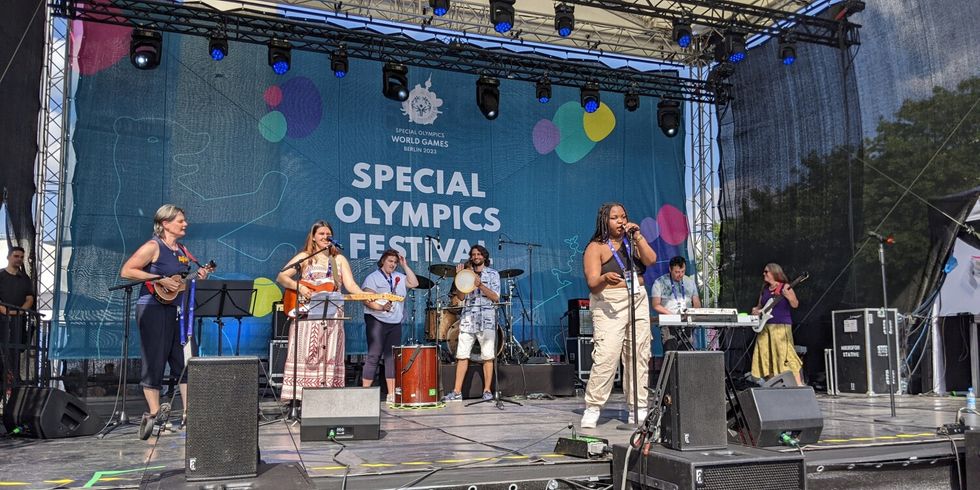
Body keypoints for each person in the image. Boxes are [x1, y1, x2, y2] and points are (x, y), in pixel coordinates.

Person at [120, 205, 210, 436]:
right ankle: (156, 416)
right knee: (155, 360)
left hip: (178, 311)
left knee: (184, 362)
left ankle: (190, 414)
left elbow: (180, 281)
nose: (185, 224)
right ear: (165, 223)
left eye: (184, 220)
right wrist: (159, 278)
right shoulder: (153, 246)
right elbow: (128, 270)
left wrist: (197, 277)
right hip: (153, 308)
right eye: (180, 220)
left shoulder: (183, 250)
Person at [580, 202, 657, 429]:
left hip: (637, 299)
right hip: (609, 303)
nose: (621, 221)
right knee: (607, 355)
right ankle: (593, 406)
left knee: (639, 354)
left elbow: (651, 260)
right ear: (605, 220)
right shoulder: (596, 247)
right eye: (615, 217)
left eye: (623, 216)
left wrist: (638, 236)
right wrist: (604, 279)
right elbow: (593, 284)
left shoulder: (631, 241)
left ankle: (638, 407)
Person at [276, 220, 367, 401]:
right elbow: (281, 276)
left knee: (330, 354)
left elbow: (350, 285)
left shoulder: (338, 260)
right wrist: (300, 287)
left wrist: (368, 295)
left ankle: (327, 399)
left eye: (328, 234)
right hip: (308, 315)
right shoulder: (305, 257)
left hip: (332, 317)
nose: (326, 237)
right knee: (306, 353)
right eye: (322, 234)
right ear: (314, 237)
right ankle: (300, 399)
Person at [442, 245, 500, 402]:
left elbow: (495, 297)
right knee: (462, 355)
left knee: (487, 356)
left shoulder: (493, 274)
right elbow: (460, 297)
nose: (476, 256)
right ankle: (457, 392)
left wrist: (480, 285)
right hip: (468, 320)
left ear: (484, 257)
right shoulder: (466, 273)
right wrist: (460, 278)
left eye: (479, 254)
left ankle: (487, 391)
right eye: (473, 254)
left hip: (487, 319)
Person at [361, 249, 419, 403]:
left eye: (395, 262)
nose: (392, 264)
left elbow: (414, 283)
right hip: (376, 320)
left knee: (391, 358)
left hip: (394, 322)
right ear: (382, 261)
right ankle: (364, 393)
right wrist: (380, 307)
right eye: (390, 261)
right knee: (374, 355)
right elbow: (366, 299)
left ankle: (391, 394)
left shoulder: (399, 277)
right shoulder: (372, 278)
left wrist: (405, 265)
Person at [751, 263, 803, 386]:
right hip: (765, 326)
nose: (764, 274)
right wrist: (756, 310)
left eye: (766, 271)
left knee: (785, 355)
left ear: (774, 273)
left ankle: (798, 385)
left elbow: (795, 304)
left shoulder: (785, 287)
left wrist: (788, 296)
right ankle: (773, 384)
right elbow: (760, 306)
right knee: (765, 354)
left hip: (781, 326)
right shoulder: (764, 290)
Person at [1, 246, 35, 392]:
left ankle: (13, 378)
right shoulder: (1, 275)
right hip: (1, 319)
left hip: (18, 321)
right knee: (2, 349)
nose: (19, 259)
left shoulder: (24, 278)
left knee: (16, 349)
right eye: (16, 256)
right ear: (8, 257)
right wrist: (5, 310)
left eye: (21, 257)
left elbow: (29, 298)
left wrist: (20, 312)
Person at [651, 256, 701, 351]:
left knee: (686, 354)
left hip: (687, 322)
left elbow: (697, 302)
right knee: (671, 351)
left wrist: (693, 311)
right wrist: (673, 316)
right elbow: (656, 304)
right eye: (677, 272)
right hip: (668, 322)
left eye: (683, 271)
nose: (680, 275)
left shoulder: (690, 282)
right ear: (670, 269)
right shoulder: (659, 282)